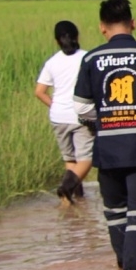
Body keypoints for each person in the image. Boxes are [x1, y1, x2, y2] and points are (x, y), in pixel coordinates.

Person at [73, 0, 136, 270]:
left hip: (108, 150)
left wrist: (104, 117)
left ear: (102, 27)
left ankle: (123, 266)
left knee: (115, 214)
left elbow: (80, 107)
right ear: (133, 23)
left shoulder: (91, 59)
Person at [35, 20, 92, 204]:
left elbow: (39, 92)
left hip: (58, 117)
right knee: (86, 160)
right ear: (77, 37)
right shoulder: (87, 57)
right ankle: (66, 189)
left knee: (71, 161)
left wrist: (56, 106)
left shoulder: (52, 62)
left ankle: (72, 202)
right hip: (81, 116)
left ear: (56, 40)